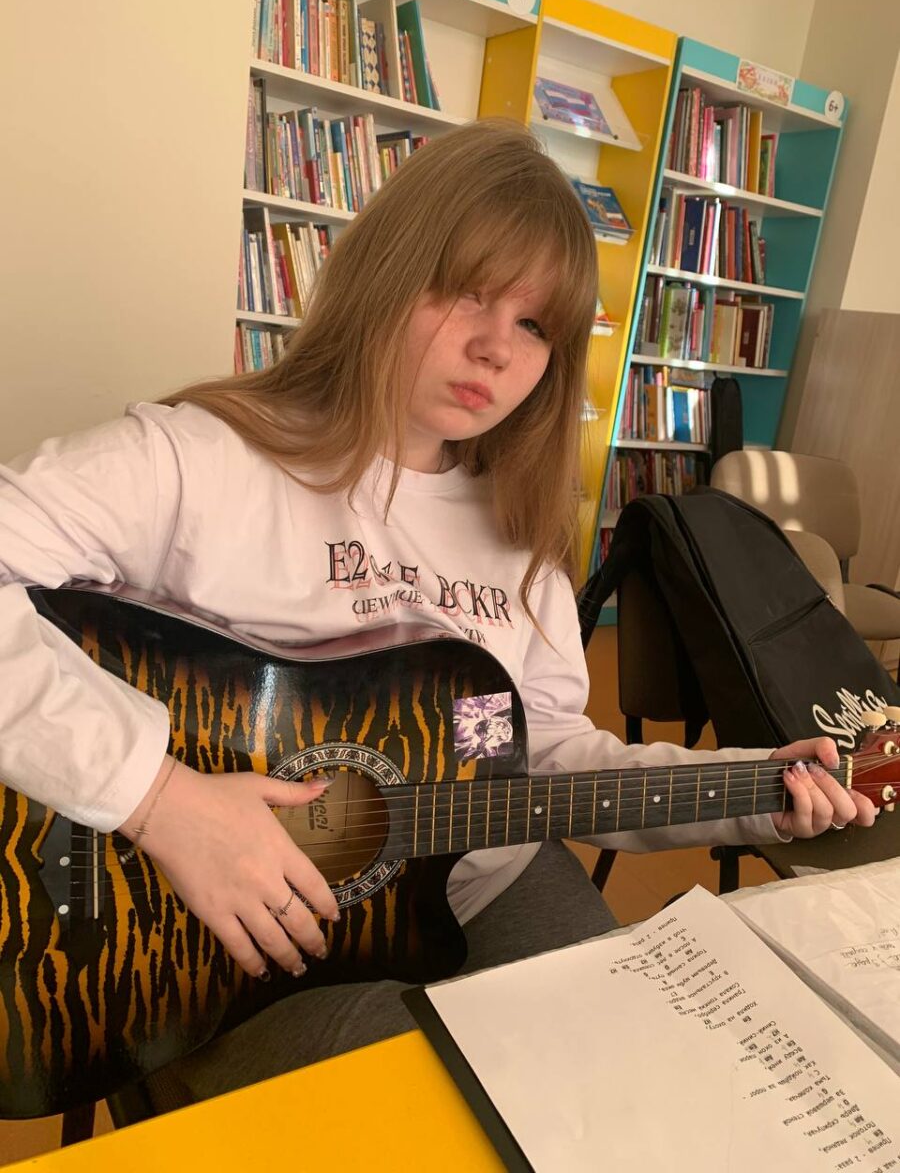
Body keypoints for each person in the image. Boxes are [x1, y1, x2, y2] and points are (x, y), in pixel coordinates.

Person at [0, 119, 876, 1105]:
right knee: (437, 1091)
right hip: (195, 938)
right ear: (384, 273)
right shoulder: (196, 460)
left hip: (477, 879)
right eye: (464, 290)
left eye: (536, 326)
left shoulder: (520, 537)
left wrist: (754, 788)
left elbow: (544, 750)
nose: (495, 348)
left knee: (634, 1055)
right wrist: (160, 800)